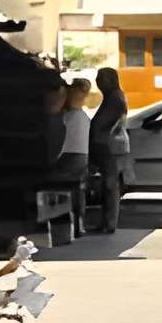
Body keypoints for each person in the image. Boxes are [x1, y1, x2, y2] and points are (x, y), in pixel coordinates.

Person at [90, 66, 129, 230]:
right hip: (110, 145)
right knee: (109, 184)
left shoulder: (114, 99)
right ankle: (107, 222)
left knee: (110, 185)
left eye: (102, 78)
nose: (98, 82)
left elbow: (100, 124)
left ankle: (110, 222)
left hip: (109, 146)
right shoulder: (113, 97)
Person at [56, 81, 94, 235]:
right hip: (82, 155)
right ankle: (80, 224)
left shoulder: (64, 117)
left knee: (64, 191)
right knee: (78, 190)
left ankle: (68, 225)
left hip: (65, 155)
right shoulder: (84, 117)